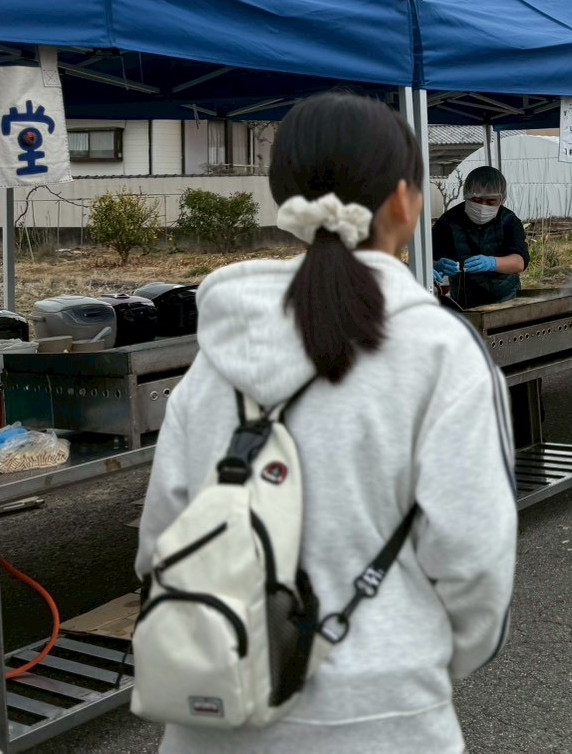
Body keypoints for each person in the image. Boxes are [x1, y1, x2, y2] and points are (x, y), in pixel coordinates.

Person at [136, 93, 516, 753]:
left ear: (286, 200)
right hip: (383, 718)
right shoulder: (439, 350)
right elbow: (475, 558)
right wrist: (409, 656)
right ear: (406, 203)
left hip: (216, 709)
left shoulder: (219, 350)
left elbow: (160, 541)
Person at [433, 166, 529, 309]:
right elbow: (427, 258)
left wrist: (492, 263)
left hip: (505, 300)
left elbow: (519, 263)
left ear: (501, 199)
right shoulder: (449, 221)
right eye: (476, 200)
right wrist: (437, 266)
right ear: (466, 195)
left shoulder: (508, 221)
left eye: (491, 201)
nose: (483, 206)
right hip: (463, 302)